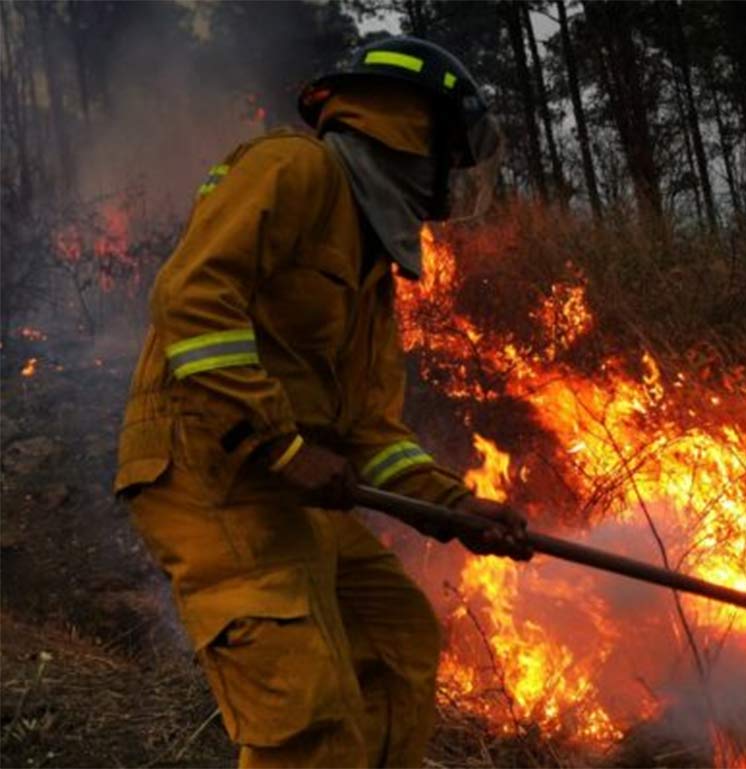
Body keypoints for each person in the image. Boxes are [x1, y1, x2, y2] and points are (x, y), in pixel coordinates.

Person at [115, 36, 530, 768]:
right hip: (209, 468)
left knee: (397, 635)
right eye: (452, 159)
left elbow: (373, 432)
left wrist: (455, 509)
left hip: (285, 482)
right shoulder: (295, 169)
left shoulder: (369, 268)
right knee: (309, 712)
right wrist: (281, 444)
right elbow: (191, 299)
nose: (453, 186)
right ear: (411, 129)